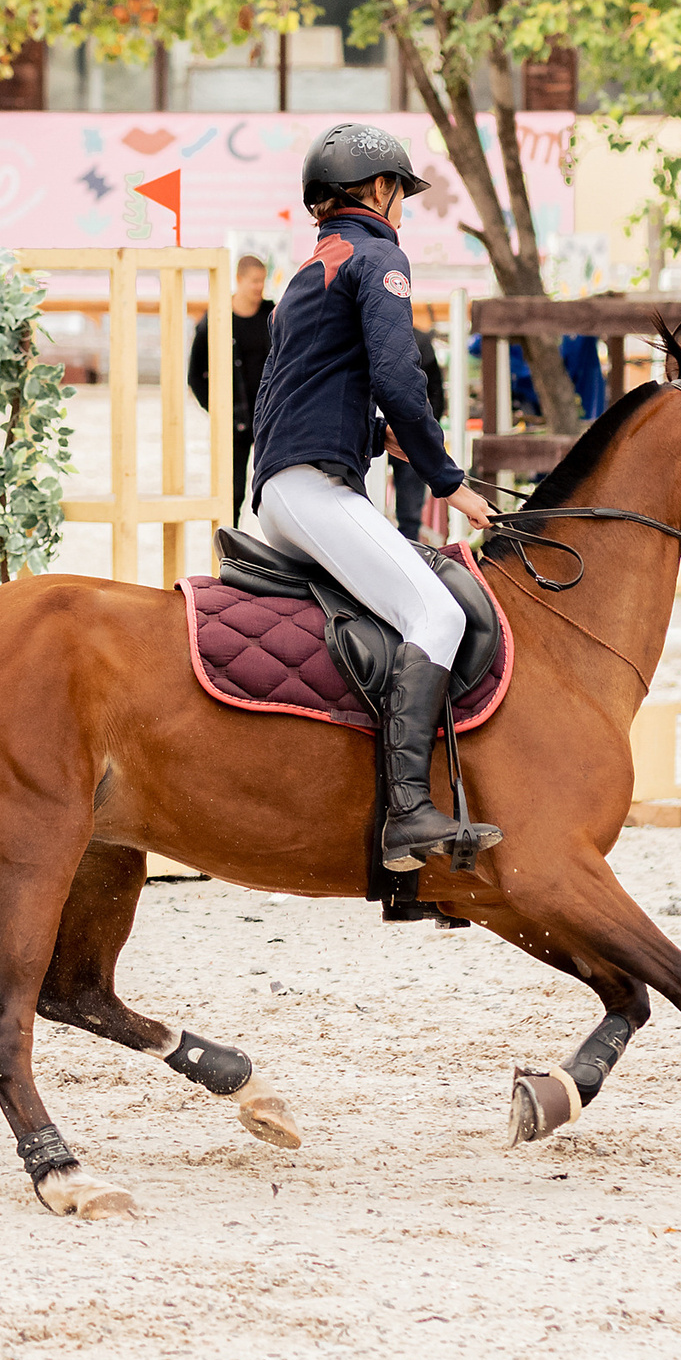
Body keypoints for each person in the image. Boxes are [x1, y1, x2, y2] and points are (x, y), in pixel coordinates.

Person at [252, 123, 500, 874]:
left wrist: (372, 436)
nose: (404, 211)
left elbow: (298, 388)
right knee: (440, 611)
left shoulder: (309, 271)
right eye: (402, 196)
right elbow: (400, 378)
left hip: (284, 483)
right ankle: (407, 813)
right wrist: (449, 480)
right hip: (311, 488)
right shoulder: (381, 255)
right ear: (380, 190)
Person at [187, 253, 273, 527]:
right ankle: (229, 548)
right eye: (254, 281)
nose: (259, 287)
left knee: (272, 492)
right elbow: (195, 375)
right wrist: (217, 410)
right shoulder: (216, 318)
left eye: (262, 281)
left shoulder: (272, 315)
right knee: (231, 493)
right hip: (232, 421)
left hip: (269, 420)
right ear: (238, 280)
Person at [391, 322, 444, 540]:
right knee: (409, 513)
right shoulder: (420, 340)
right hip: (409, 427)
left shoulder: (419, 341)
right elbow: (437, 392)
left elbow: (436, 393)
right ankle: (409, 548)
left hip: (399, 426)